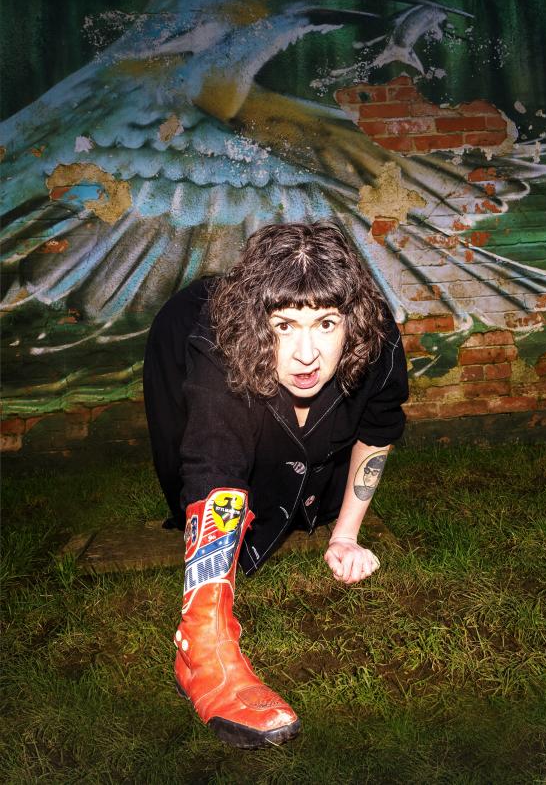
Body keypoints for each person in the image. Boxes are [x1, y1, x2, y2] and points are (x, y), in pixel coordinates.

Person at [143, 220, 408, 749]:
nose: (307, 354)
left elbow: (378, 428)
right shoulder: (219, 339)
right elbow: (212, 464)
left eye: (326, 324)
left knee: (312, 490)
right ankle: (199, 648)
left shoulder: (375, 332)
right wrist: (207, 634)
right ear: (259, 324)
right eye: (284, 326)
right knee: (225, 484)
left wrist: (345, 537)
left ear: (351, 320)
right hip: (181, 341)